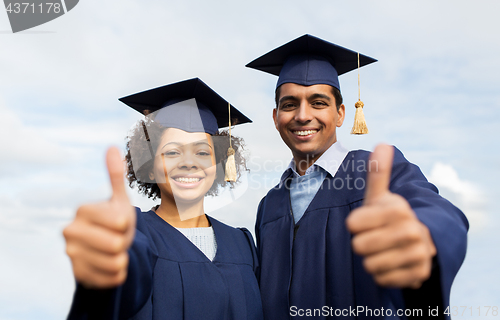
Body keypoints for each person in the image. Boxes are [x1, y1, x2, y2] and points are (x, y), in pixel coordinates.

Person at [246, 35, 468, 319]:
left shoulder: (376, 171)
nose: (303, 115)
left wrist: (424, 238)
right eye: (290, 105)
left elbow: (438, 212)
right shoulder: (269, 206)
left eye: (317, 102)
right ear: (276, 117)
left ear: (340, 114)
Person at [63, 78, 264, 320]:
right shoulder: (133, 233)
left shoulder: (241, 244)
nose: (189, 162)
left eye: (202, 152)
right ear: (150, 166)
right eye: (172, 152)